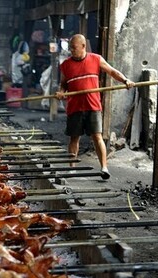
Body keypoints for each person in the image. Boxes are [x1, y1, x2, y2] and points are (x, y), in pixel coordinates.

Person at [56, 34, 134, 180]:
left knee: (97, 136)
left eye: (74, 48)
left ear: (83, 46)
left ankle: (104, 168)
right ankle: (72, 168)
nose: (71, 51)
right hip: (74, 107)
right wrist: (61, 92)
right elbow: (63, 84)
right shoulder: (66, 65)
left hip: (92, 105)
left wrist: (125, 80)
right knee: (74, 138)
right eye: (70, 48)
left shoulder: (96, 59)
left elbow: (112, 71)